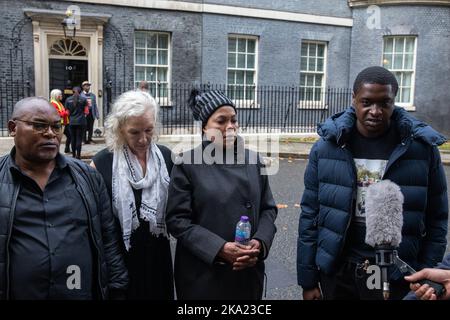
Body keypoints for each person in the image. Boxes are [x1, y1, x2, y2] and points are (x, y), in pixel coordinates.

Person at [297, 66, 448, 300]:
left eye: (384, 103)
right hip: (339, 270)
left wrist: (428, 271)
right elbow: (310, 214)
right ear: (354, 99)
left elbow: (437, 218)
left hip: (396, 273)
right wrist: (308, 279)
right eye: (366, 102)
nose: (375, 111)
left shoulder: (422, 150)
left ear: (394, 102)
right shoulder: (327, 147)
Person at [0, 97, 128, 299]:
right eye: (39, 126)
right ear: (13, 128)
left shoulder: (88, 178)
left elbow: (108, 238)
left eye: (57, 126)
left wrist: (118, 289)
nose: (51, 134)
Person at [166, 89, 278, 300]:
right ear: (204, 128)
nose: (230, 127)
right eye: (221, 121)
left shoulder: (253, 161)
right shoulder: (187, 164)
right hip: (205, 278)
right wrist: (219, 248)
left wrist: (260, 243)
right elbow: (177, 221)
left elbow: (268, 209)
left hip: (246, 275)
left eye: (234, 120)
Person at [91, 90, 174, 300]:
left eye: (148, 129)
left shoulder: (166, 158)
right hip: (120, 259)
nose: (144, 139)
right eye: (134, 132)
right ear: (120, 129)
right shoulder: (101, 163)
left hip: (158, 257)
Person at [65, 86, 87, 159]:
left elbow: (67, 112)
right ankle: (78, 155)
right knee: (79, 139)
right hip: (81, 121)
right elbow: (86, 112)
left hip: (72, 121)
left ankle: (73, 155)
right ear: (80, 91)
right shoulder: (84, 99)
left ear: (72, 92)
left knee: (73, 138)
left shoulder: (68, 100)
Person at [50, 89, 71, 153]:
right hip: (59, 124)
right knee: (58, 138)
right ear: (56, 96)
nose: (62, 96)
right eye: (60, 95)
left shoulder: (59, 103)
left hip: (64, 123)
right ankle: (56, 151)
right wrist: (66, 112)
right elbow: (58, 114)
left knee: (70, 136)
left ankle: (67, 148)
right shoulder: (53, 104)